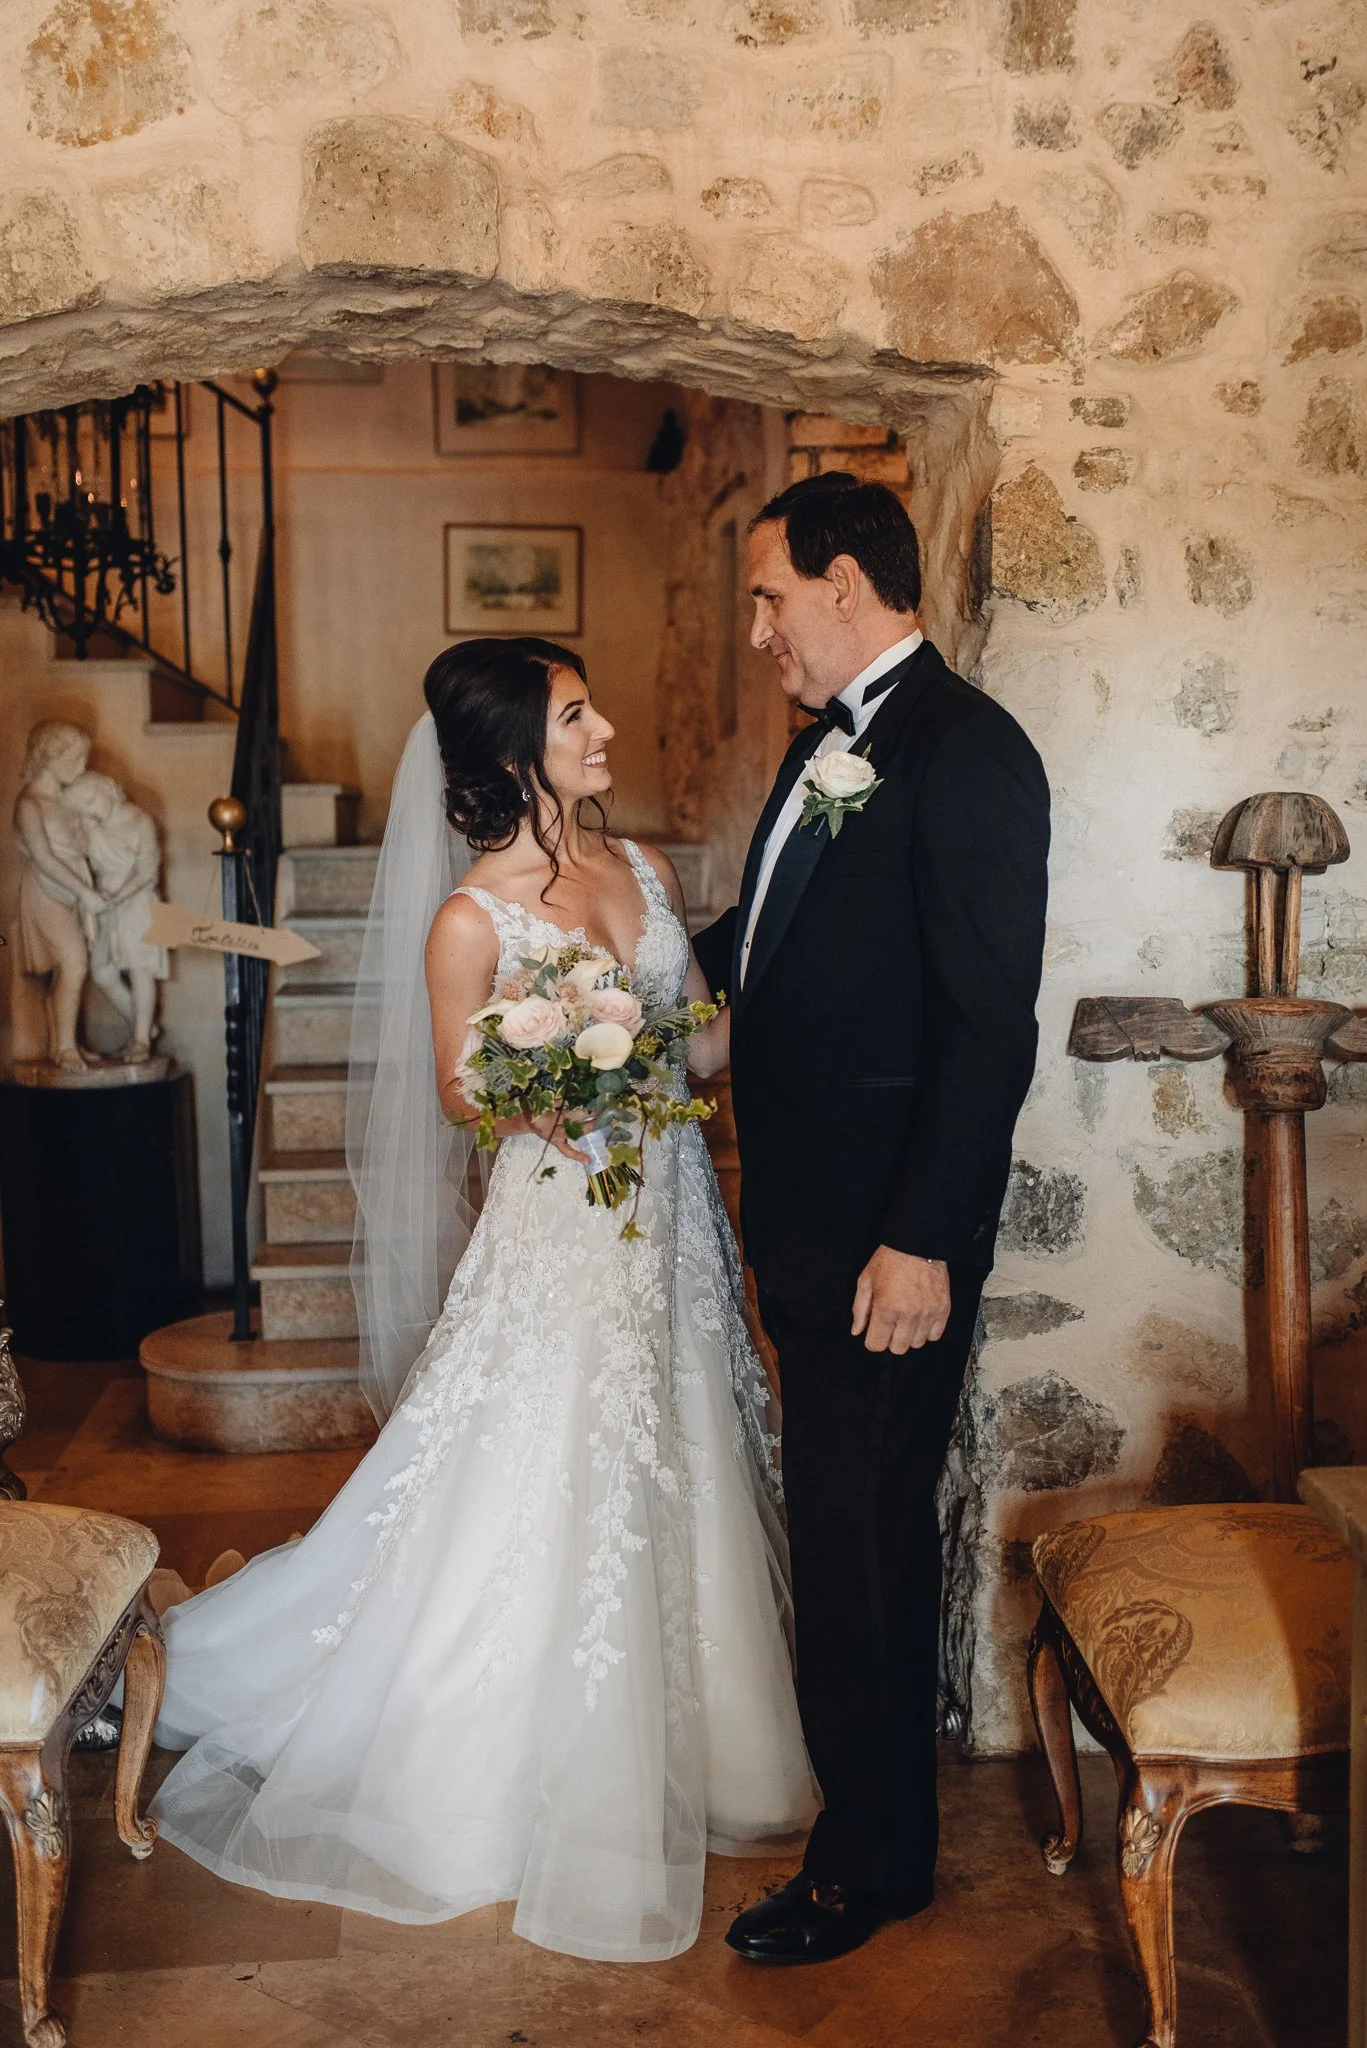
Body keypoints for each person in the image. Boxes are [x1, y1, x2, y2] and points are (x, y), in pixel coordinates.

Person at [149, 636, 817, 1962]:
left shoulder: (645, 869)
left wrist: (790, 984)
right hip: (562, 1230)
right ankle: (518, 1760)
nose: (603, 728)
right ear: (515, 753)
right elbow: (463, 1091)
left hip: (674, 1217)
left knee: (685, 1440)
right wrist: (560, 1078)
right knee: (547, 1461)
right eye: (576, 715)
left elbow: (703, 1039)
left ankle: (721, 1747)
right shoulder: (470, 919)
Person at [694, 473, 1050, 1965]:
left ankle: (868, 1867)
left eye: (768, 596)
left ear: (844, 581)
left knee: (860, 1547)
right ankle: (876, 1834)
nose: (757, 630)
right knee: (844, 1538)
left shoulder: (965, 750)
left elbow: (985, 1026)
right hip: (808, 1229)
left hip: (882, 1252)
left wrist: (921, 1239)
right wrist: (629, 978)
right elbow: (772, 939)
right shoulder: (822, 748)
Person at [12, 720, 106, 1072]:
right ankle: (66, 1049)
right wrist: (85, 892)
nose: (82, 767)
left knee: (70, 969)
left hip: (76, 889)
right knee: (74, 963)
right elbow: (44, 859)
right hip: (48, 890)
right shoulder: (30, 803)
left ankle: (62, 1045)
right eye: (76, 758)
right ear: (49, 758)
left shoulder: (66, 800)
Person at [62, 770, 168, 1063]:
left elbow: (147, 871)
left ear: (108, 789)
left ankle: (141, 1040)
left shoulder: (140, 822)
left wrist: (117, 897)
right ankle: (145, 1025)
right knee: (102, 972)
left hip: (136, 903)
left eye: (92, 801)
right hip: (104, 905)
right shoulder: (91, 827)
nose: (91, 811)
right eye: (85, 807)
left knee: (141, 969)